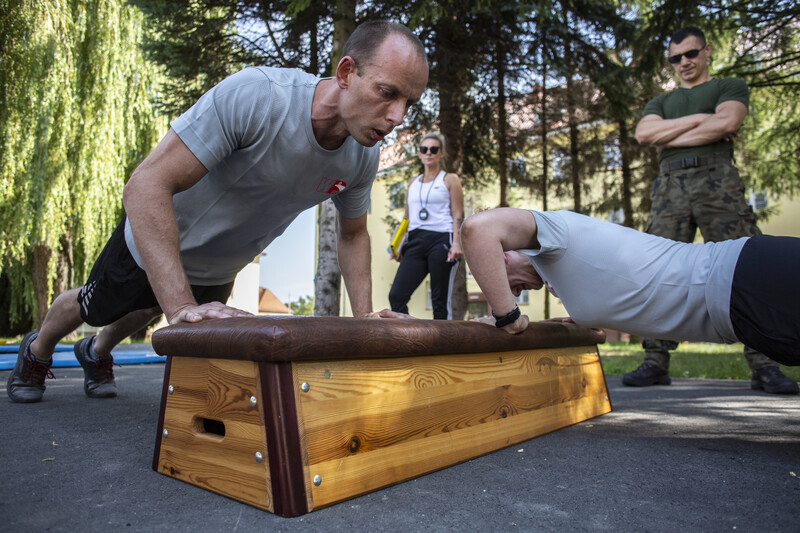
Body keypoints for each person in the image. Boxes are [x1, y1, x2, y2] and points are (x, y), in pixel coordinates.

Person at [7, 20, 429, 403]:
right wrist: (179, 304)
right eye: (387, 93)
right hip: (156, 241)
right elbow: (145, 186)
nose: (397, 116)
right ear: (346, 73)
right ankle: (37, 350)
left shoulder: (362, 156)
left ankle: (96, 350)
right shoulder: (261, 97)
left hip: (221, 267)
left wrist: (364, 320)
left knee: (150, 308)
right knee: (96, 307)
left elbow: (353, 234)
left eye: (408, 102)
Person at [631, 26, 797, 393]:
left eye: (691, 53)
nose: (684, 62)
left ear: (706, 51)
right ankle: (655, 361)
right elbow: (644, 134)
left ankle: (764, 365)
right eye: (676, 58)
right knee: (659, 268)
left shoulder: (728, 86)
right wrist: (704, 120)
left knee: (746, 266)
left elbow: (729, 121)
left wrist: (671, 135)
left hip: (717, 181)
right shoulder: (661, 101)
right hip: (670, 186)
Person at [460, 207, 800, 369]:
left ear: (503, 255)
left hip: (749, 280)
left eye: (503, 285)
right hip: (743, 317)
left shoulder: (555, 230)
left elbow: (477, 229)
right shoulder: (558, 277)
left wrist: (508, 318)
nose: (513, 294)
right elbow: (605, 320)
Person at [388, 133, 463, 319]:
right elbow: (407, 218)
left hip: (441, 239)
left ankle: (444, 337)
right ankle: (410, 333)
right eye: (424, 149)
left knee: (439, 301)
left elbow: (458, 214)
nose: (429, 153)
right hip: (415, 240)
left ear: (441, 153)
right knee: (396, 296)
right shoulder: (413, 182)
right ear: (419, 154)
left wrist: (457, 243)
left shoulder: (450, 179)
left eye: (434, 149)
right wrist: (397, 244)